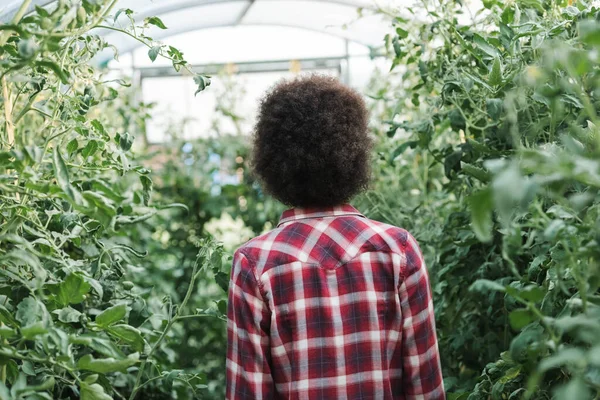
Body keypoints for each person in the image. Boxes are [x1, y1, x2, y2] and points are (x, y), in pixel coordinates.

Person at [226, 74, 445, 399]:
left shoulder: (254, 265)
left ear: (273, 159)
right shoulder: (398, 251)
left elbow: (248, 393)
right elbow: (426, 388)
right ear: (354, 150)